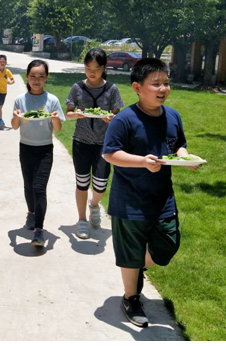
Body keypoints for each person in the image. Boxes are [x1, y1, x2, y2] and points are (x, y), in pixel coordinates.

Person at [102, 58, 202, 328]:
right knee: (130, 252)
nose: (163, 89)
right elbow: (110, 153)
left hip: (162, 199)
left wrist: (185, 157)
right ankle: (131, 297)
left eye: (166, 83)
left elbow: (178, 145)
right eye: (156, 84)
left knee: (168, 245)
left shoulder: (173, 116)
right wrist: (142, 162)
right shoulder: (124, 119)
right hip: (129, 201)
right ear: (137, 87)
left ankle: (137, 267)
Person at [65, 49, 124, 239]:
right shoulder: (77, 87)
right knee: (82, 183)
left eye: (97, 69)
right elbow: (68, 113)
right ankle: (82, 220)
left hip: (104, 144)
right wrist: (76, 114)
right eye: (88, 68)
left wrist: (111, 118)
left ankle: (94, 204)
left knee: (100, 185)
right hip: (81, 142)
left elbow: (117, 115)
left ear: (104, 68)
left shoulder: (112, 89)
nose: (92, 72)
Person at [11, 60, 65, 246]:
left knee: (39, 187)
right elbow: (14, 126)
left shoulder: (52, 100)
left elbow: (58, 129)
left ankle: (39, 230)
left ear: (46, 78)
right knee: (28, 185)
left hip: (45, 149)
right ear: (27, 77)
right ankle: (31, 212)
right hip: (26, 147)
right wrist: (16, 117)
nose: (36, 80)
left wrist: (55, 118)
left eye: (41, 76)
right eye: (33, 76)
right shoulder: (20, 100)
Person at [0, 54, 15, 128]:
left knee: (0, 107)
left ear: (6, 63)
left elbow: (12, 79)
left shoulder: (7, 71)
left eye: (4, 62)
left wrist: (11, 82)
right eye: (1, 62)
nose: (2, 63)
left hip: (4, 91)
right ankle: (0, 120)